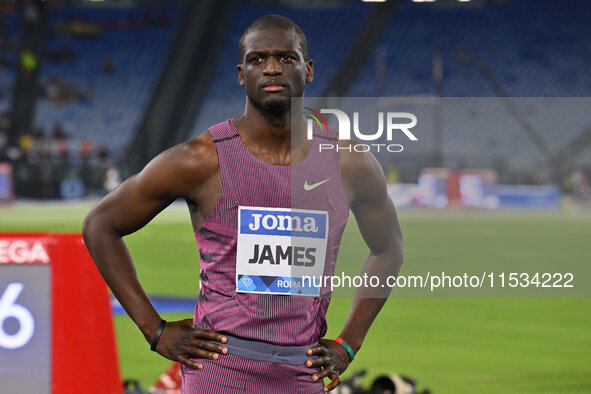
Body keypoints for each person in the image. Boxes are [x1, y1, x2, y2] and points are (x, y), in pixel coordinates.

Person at [83, 15, 403, 393]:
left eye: (286, 58)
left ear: (309, 69)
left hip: (304, 374)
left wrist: (350, 342)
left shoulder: (349, 163)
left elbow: (388, 249)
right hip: (221, 371)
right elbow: (99, 225)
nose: (271, 68)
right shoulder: (200, 160)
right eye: (257, 59)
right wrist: (154, 329)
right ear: (240, 74)